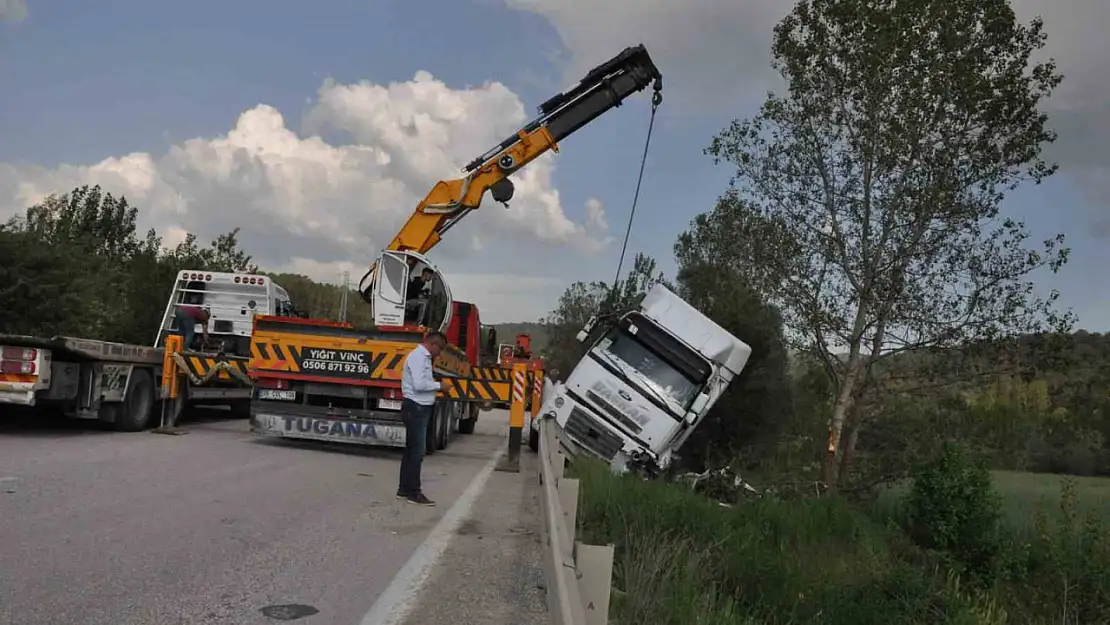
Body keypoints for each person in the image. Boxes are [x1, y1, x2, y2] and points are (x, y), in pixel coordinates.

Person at [398, 330, 452, 506]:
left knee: (411, 450)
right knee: (417, 452)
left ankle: (404, 489)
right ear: (433, 344)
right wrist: (440, 386)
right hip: (416, 407)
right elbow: (419, 385)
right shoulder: (420, 358)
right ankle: (414, 493)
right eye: (441, 348)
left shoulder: (423, 357)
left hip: (417, 407)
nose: (440, 352)